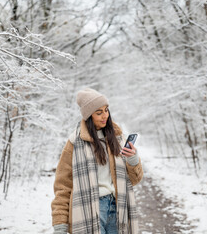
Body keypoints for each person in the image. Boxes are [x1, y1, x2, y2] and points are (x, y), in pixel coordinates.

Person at [51, 88, 143, 234]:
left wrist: (133, 159)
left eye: (106, 110)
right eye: (99, 113)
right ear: (88, 116)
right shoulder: (75, 142)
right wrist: (60, 224)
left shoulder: (118, 138)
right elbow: (63, 187)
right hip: (90, 208)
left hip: (118, 206)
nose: (105, 116)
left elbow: (134, 180)